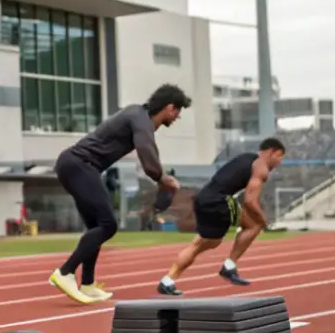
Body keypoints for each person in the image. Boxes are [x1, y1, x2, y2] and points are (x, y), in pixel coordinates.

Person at [48, 84, 192, 304]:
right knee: (108, 224)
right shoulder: (141, 118)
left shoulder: (138, 115)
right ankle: (66, 272)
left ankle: (87, 284)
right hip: (79, 165)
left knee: (97, 227)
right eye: (178, 112)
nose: (177, 117)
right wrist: (163, 179)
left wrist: (161, 177)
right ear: (170, 108)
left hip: (76, 166)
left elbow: (150, 151)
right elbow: (147, 153)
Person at [157, 137, 286, 295]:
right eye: (279, 156)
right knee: (254, 225)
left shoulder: (246, 157)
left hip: (203, 198)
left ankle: (167, 280)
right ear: (271, 152)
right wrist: (264, 221)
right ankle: (229, 267)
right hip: (219, 201)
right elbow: (250, 201)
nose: (279, 162)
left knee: (201, 244)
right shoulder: (261, 168)